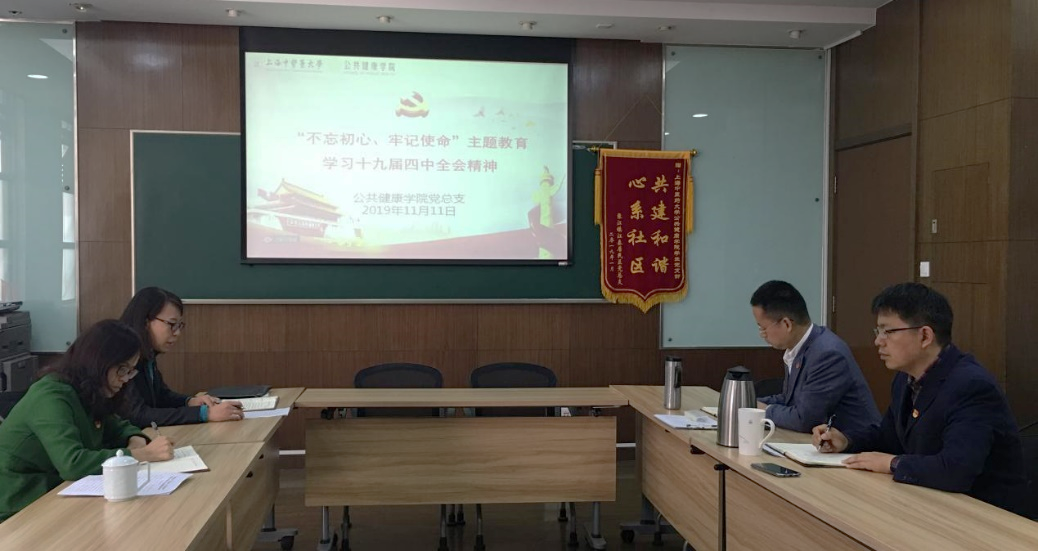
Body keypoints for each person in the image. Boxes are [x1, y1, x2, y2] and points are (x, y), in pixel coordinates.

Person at [814, 283, 1027, 515]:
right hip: (931, 503)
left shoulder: (971, 385)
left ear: (925, 336)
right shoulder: (904, 379)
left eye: (888, 332)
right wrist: (846, 440)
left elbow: (956, 469)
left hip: (986, 515)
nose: (878, 341)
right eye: (878, 331)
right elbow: (888, 438)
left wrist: (892, 463)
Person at [0, 320, 175, 522]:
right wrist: (142, 454)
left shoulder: (88, 392)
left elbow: (119, 426)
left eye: (131, 371)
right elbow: (73, 463)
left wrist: (135, 439)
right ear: (97, 362)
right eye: (122, 369)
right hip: (16, 504)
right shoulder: (51, 395)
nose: (126, 378)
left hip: (54, 493)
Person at [751, 280, 881, 434]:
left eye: (763, 328)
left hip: (857, 443)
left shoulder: (827, 354)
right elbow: (789, 399)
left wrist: (764, 410)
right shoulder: (799, 348)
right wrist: (750, 404)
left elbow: (804, 419)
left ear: (786, 324)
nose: (762, 335)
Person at [119, 287, 242, 427]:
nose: (177, 333)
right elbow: (137, 415)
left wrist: (189, 401)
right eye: (171, 324)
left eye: (179, 326)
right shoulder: (121, 354)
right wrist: (204, 414)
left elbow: (161, 396)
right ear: (146, 322)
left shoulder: (147, 353)